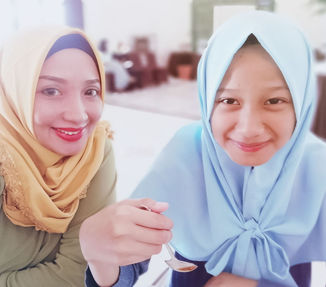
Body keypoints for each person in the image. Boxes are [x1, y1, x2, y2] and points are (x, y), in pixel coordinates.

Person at [128, 11, 326, 286]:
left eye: (274, 100)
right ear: (207, 97)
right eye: (229, 100)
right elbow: (127, 258)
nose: (248, 128)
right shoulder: (187, 152)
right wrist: (102, 261)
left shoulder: (316, 164)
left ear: (303, 104)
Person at [0, 26, 171, 286]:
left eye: (90, 91)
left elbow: (76, 274)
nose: (78, 115)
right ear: (14, 92)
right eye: (51, 91)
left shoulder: (93, 151)